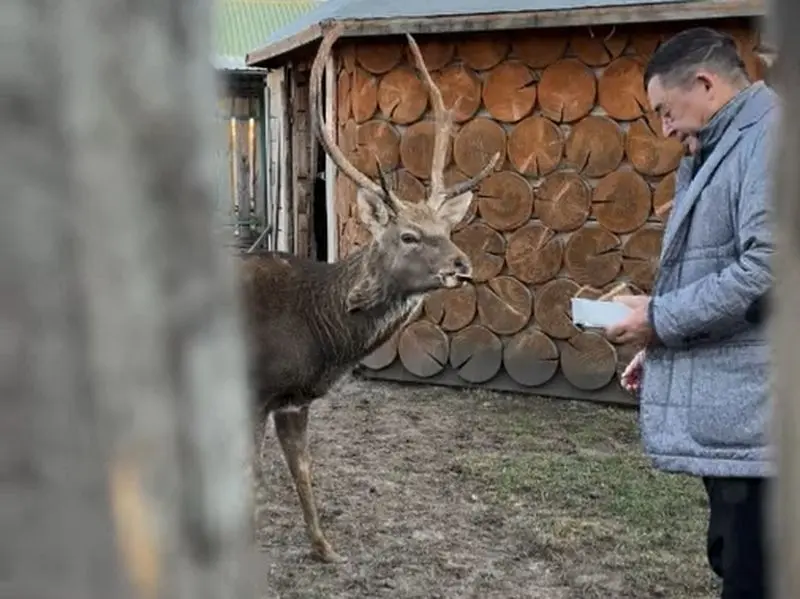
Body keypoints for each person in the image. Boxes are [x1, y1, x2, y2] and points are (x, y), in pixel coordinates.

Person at [604, 27, 778, 599]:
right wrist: (660, 341)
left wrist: (658, 317)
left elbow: (770, 269)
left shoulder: (770, 139)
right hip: (739, 410)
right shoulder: (719, 147)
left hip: (764, 416)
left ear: (704, 83)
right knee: (735, 557)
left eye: (663, 110)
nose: (664, 127)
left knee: (756, 571)